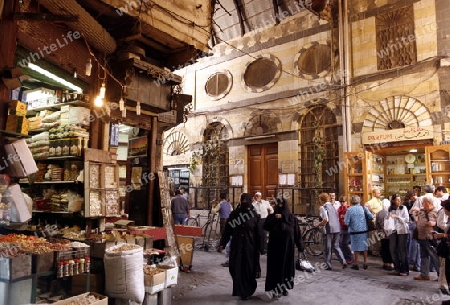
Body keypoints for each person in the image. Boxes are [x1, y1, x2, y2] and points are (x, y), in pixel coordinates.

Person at [218, 193, 262, 301]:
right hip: (237, 246)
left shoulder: (255, 215)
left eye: (246, 201)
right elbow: (228, 230)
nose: (245, 204)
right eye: (243, 201)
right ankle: (239, 289)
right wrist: (223, 243)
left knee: (248, 268)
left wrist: (262, 247)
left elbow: (260, 233)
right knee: (235, 268)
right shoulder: (234, 214)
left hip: (250, 247)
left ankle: (246, 291)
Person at [263, 198, 303, 299]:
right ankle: (276, 289)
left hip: (287, 249)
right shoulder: (272, 217)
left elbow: (297, 233)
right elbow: (265, 226)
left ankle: (284, 288)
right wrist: (274, 218)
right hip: (275, 249)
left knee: (286, 268)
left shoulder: (291, 218)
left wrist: (300, 246)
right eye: (278, 205)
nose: (280, 207)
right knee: (275, 269)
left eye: (282, 205)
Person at [411, 196, 440, 280]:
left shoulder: (436, 211)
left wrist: (434, 223)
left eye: (424, 202)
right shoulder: (422, 211)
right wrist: (414, 214)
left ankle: (441, 275)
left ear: (429, 203)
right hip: (421, 236)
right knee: (423, 255)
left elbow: (442, 222)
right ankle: (424, 274)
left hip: (430, 237)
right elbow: (417, 220)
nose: (422, 204)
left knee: (434, 256)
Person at [317, 192, 347, 270]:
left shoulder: (323, 207)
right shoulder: (332, 206)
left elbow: (326, 219)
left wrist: (318, 224)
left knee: (327, 247)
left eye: (319, 199)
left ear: (321, 200)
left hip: (329, 229)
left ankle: (328, 264)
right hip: (337, 228)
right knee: (336, 246)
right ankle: (343, 260)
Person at [344, 195, 373, 270]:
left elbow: (346, 222)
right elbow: (371, 217)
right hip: (364, 230)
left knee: (355, 247)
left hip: (354, 231)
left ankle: (356, 263)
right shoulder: (364, 208)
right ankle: (365, 263)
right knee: (364, 247)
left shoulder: (349, 210)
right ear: (359, 201)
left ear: (351, 201)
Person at [387, 194, 410, 276]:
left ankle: (404, 270)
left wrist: (397, 217)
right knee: (393, 250)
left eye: (400, 200)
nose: (399, 201)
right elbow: (388, 219)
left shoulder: (403, 208)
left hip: (402, 231)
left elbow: (407, 220)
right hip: (392, 230)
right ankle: (397, 268)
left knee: (402, 250)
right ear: (393, 200)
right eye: (397, 200)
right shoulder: (390, 209)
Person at [430, 199, 450, 295]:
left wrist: (442, 235)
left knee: (445, 266)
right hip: (446, 247)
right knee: (444, 266)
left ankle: (444, 285)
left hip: (447, 248)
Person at [252, 191, 274, 278]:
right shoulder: (253, 204)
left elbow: (271, 209)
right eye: (256, 196)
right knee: (259, 235)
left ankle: (263, 248)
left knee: (264, 235)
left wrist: (271, 216)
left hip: (264, 220)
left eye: (259, 196)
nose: (258, 197)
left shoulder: (266, 202)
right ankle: (259, 248)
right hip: (257, 221)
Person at [404, 189, 421, 272]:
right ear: (412, 195)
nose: (416, 196)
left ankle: (411, 262)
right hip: (412, 223)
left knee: (409, 243)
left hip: (408, 224)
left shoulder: (406, 203)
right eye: (415, 195)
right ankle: (414, 262)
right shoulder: (411, 203)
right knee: (414, 242)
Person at [365, 188, 383, 256]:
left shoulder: (379, 200)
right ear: (374, 194)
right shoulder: (373, 200)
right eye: (378, 193)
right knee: (375, 236)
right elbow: (366, 204)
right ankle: (375, 251)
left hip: (379, 220)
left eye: (379, 193)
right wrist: (371, 212)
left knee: (378, 236)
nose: (379, 194)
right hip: (374, 220)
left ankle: (377, 250)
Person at [376, 207, 394, 271]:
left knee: (384, 248)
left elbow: (377, 225)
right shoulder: (392, 212)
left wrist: (379, 231)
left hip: (382, 233)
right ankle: (391, 263)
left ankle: (386, 263)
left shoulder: (378, 213)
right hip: (391, 233)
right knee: (390, 248)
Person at [337, 195, 353, 264]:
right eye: (341, 201)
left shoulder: (349, 208)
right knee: (340, 244)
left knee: (345, 243)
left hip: (348, 228)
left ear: (346, 202)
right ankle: (346, 257)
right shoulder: (339, 209)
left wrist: (344, 217)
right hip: (342, 228)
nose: (342, 203)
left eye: (343, 201)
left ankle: (350, 257)